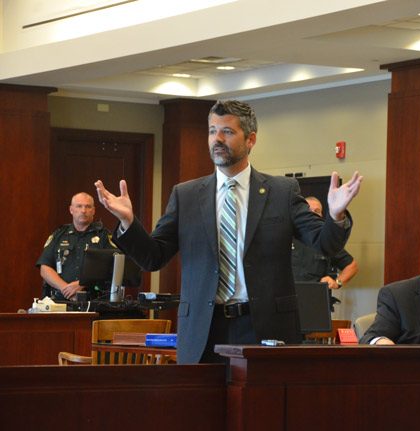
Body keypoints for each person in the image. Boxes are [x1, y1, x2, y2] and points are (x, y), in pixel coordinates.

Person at [95, 99, 362, 364]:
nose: (217, 139)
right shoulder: (186, 195)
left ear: (251, 140)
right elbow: (154, 257)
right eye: (212, 131)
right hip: (204, 329)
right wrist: (128, 222)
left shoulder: (281, 192)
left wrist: (336, 215)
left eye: (228, 131)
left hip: (265, 328)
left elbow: (324, 243)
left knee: (260, 407)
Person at [36, 192, 115, 301]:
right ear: (71, 210)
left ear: (93, 211)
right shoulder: (58, 235)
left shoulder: (104, 236)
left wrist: (82, 283)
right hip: (60, 302)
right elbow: (44, 268)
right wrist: (66, 289)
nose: (83, 210)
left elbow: (114, 265)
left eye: (88, 206)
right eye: (79, 206)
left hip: (94, 302)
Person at [291, 196, 358, 302]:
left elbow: (352, 266)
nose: (312, 214)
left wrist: (337, 282)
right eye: (308, 211)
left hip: (316, 301)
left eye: (316, 211)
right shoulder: (286, 236)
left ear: (321, 216)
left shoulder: (325, 243)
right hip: (287, 301)